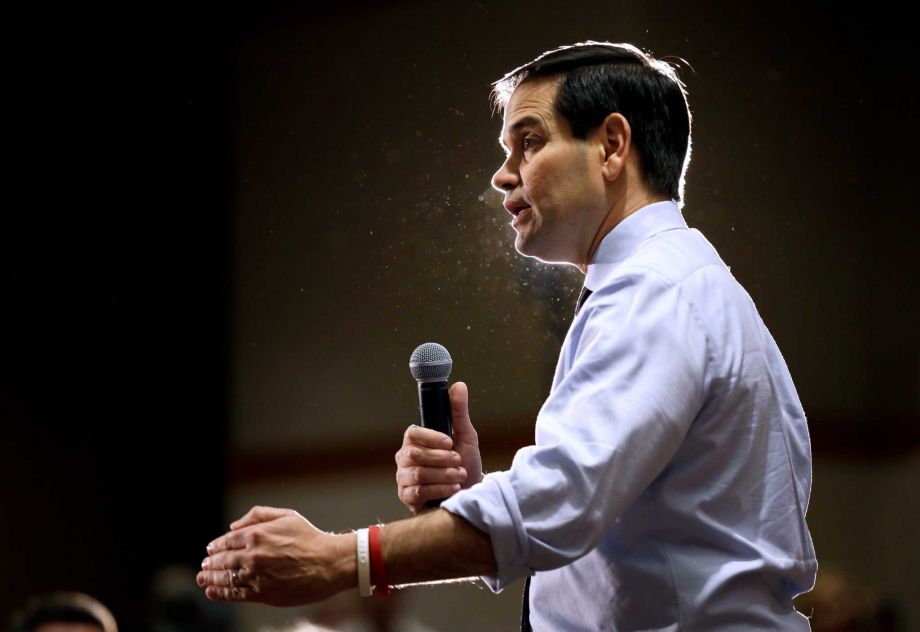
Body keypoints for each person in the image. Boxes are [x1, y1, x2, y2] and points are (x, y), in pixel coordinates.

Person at [196, 41, 818, 630]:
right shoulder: (674, 284)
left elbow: (559, 506)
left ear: (611, 145)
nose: (502, 174)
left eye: (529, 142)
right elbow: (598, 523)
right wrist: (474, 498)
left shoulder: (654, 293)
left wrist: (339, 558)